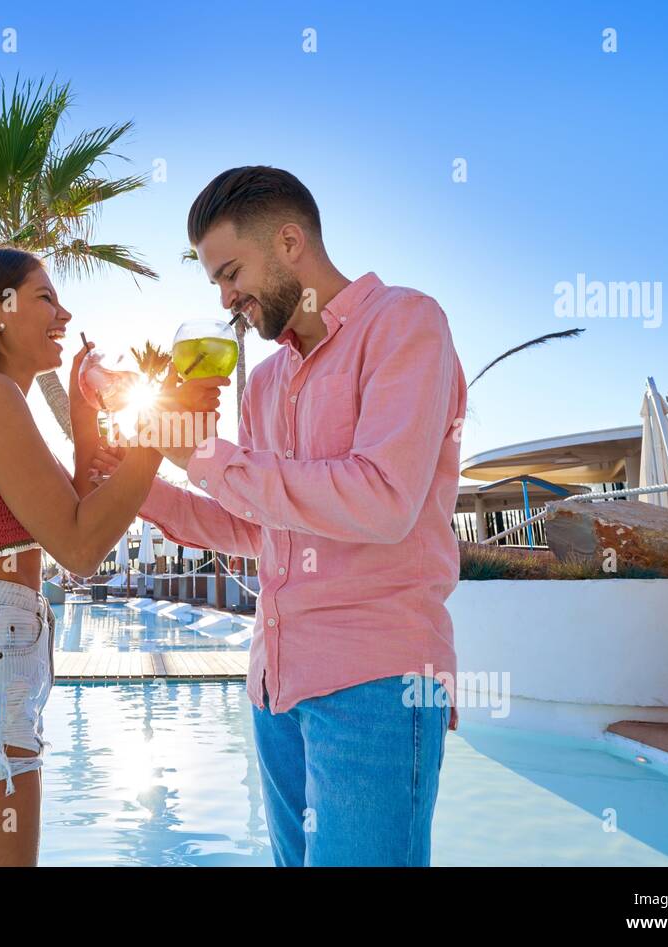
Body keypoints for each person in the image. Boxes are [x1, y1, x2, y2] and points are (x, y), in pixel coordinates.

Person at [102, 166, 467, 866]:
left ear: (291, 243)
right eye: (214, 282)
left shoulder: (406, 323)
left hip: (376, 680)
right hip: (275, 686)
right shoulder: (265, 381)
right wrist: (136, 484)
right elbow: (257, 525)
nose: (225, 297)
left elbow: (384, 498)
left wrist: (204, 454)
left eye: (231, 272)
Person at [0, 245, 222, 866]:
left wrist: (86, 417)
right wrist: (158, 428)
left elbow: (84, 518)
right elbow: (81, 547)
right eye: (46, 298)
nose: (64, 313)